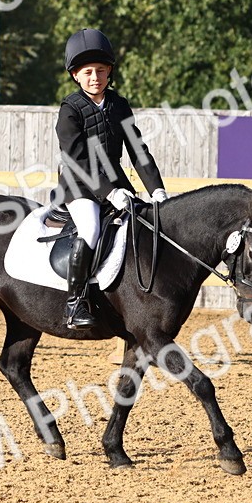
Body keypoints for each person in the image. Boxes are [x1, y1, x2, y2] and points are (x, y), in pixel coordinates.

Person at [54, 28, 168, 329]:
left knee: (143, 226)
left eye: (101, 71)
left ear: (110, 72)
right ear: (76, 75)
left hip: (116, 181)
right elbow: (77, 159)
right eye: (88, 72)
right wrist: (110, 192)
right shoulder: (70, 110)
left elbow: (138, 150)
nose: (96, 77)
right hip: (78, 184)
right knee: (91, 228)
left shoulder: (119, 105)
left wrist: (157, 190)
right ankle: (74, 303)